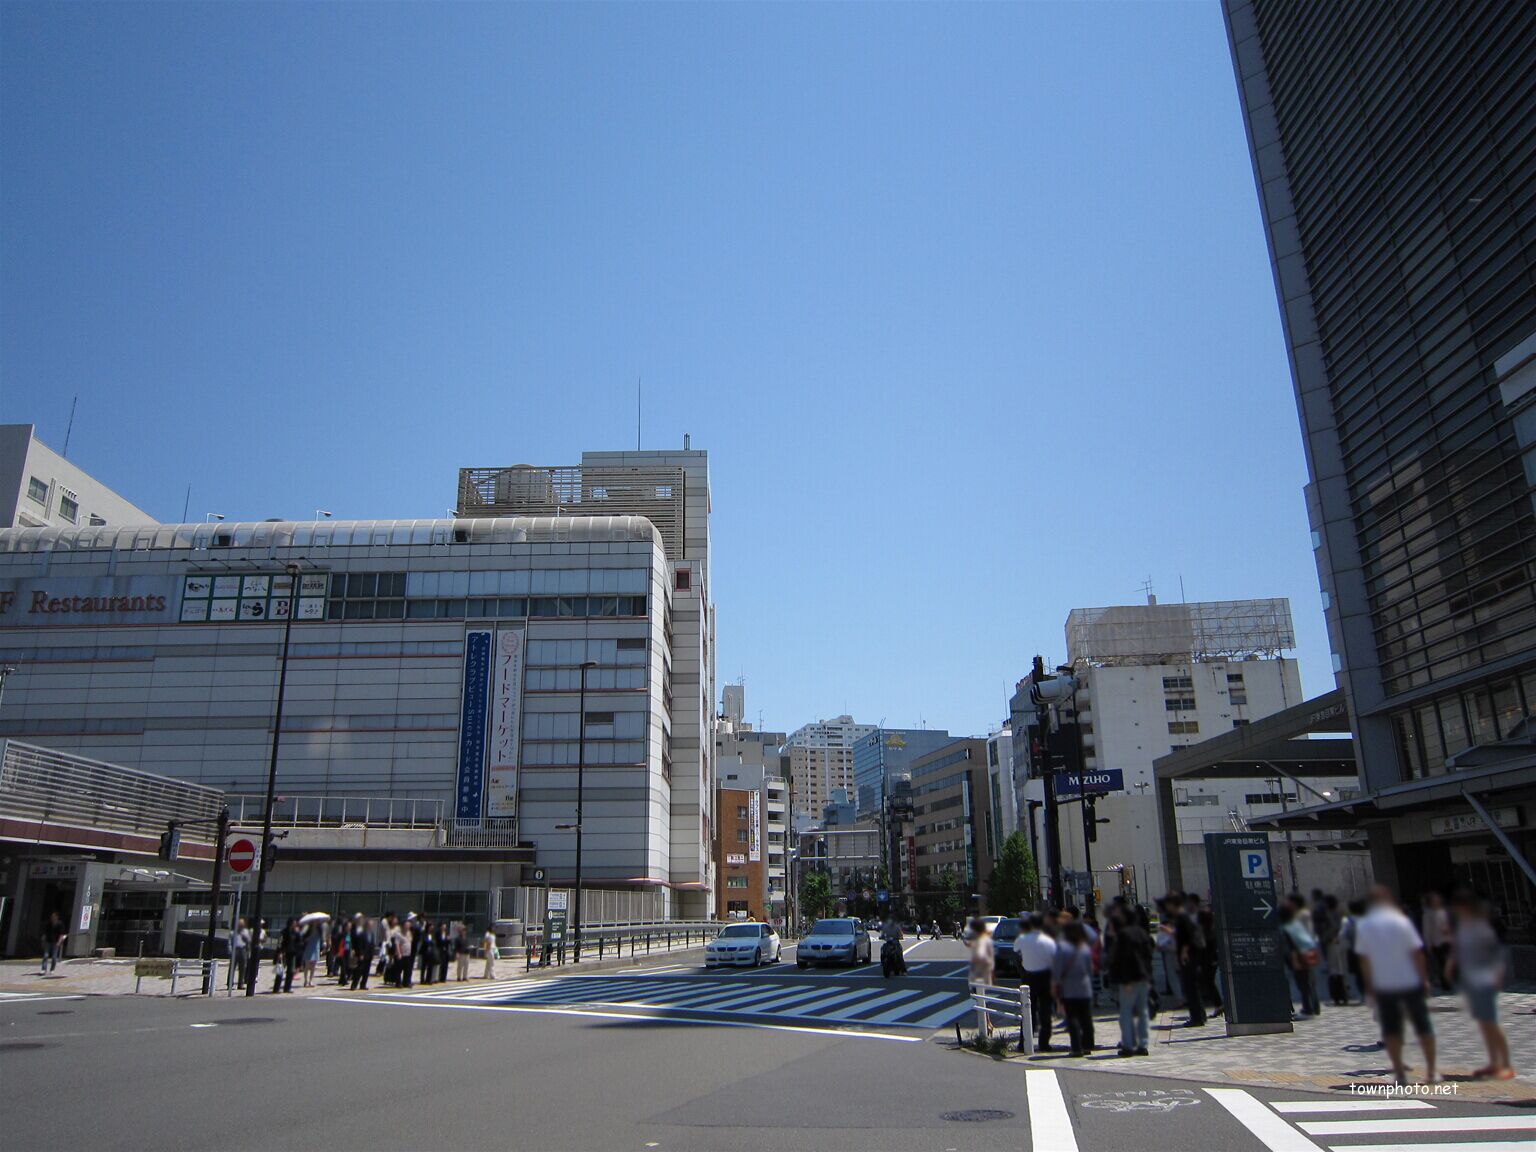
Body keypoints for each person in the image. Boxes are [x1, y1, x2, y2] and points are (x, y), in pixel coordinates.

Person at [1355, 885, 1437, 1086]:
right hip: (1409, 981)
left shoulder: (1365, 927)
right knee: (1423, 1027)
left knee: (1391, 1030)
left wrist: (1369, 986)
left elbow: (1365, 960)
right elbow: (1417, 952)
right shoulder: (1401, 922)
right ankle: (1431, 1071)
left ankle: (1399, 1072)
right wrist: (1424, 979)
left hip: (1384, 984)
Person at [1448, 890, 1513, 1081]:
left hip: (1485, 980)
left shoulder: (1481, 928)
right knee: (1484, 1023)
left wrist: (1497, 976)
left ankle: (1506, 1064)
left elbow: (1495, 955)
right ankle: (1493, 1062)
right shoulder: (1465, 927)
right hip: (1471, 980)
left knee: (1491, 1022)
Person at [1106, 907, 1152, 1057]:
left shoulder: (1123, 935)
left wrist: (1124, 980)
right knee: (1143, 1011)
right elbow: (1148, 956)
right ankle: (1143, 1045)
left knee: (1126, 1012)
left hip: (1129, 979)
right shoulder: (1142, 933)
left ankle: (1128, 1045)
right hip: (1143, 977)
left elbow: (1123, 958)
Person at [1014, 913, 1058, 1052]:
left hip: (1028, 977)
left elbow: (1016, 952)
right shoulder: (1048, 940)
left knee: (1028, 1010)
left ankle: (1024, 1042)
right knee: (1045, 1011)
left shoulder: (1022, 939)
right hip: (1046, 976)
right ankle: (1044, 1043)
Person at [1052, 921, 1096, 1057]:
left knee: (1073, 1018)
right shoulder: (1085, 948)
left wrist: (1055, 985)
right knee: (1086, 1018)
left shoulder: (1062, 947)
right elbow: (1090, 969)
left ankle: (1076, 1048)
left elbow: (1057, 970)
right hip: (1085, 987)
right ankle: (1088, 1045)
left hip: (1069, 988)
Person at [1167, 894, 1206, 1026]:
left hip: (1189, 957)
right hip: (1193, 955)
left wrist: (1184, 953)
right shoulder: (1185, 917)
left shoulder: (1182, 917)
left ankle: (1197, 1018)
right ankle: (1200, 1015)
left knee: (1190, 988)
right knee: (1193, 987)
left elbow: (1187, 937)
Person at [1279, 898, 1321, 1017]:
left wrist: (1293, 962)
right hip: (1308, 955)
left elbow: (1289, 947)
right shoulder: (1296, 925)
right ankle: (1314, 1007)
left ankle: (1308, 1009)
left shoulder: (1286, 928)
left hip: (1299, 958)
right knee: (1310, 983)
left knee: (1303, 985)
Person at [1420, 892, 1451, 991]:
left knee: (1448, 961)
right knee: (1441, 963)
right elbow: (1427, 930)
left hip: (1446, 939)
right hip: (1436, 942)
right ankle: (1445, 983)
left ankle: (1449, 980)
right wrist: (1428, 944)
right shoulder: (1428, 914)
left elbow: (1448, 923)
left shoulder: (1442, 911)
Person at [1323, 895, 1350, 1005]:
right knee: (1340, 970)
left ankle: (1338, 996)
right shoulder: (1341, 916)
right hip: (1341, 945)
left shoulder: (1330, 915)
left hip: (1333, 944)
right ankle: (1344, 995)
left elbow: (1332, 930)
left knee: (1334, 971)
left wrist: (1329, 938)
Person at [273, 918, 300, 994]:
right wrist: (280, 952)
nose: (295, 924)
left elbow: (299, 941)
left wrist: (298, 933)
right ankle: (276, 989)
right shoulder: (284, 932)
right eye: (294, 923)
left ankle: (287, 988)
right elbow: (280, 943)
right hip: (284, 953)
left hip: (292, 953)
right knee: (280, 971)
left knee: (290, 971)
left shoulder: (295, 932)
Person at [349, 916, 375, 991]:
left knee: (366, 971)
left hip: (369, 955)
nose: (371, 926)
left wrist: (372, 954)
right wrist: (360, 954)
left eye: (371, 925)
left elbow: (372, 945)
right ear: (366, 925)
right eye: (369, 925)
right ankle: (354, 985)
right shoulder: (362, 934)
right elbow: (359, 945)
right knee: (359, 971)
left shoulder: (371, 934)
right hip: (362, 955)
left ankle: (363, 984)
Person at [230, 917, 251, 990]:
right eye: (239, 924)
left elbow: (249, 941)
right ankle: (230, 984)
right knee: (232, 968)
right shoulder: (233, 932)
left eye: (242, 924)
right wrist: (230, 951)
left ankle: (240, 984)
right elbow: (229, 942)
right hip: (235, 950)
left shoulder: (245, 932)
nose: (241, 925)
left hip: (243, 949)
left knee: (243, 968)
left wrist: (244, 935)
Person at [301, 922, 322, 988]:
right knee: (307, 965)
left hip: (316, 948)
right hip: (308, 947)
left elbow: (321, 938)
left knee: (313, 966)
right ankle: (305, 980)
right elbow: (303, 938)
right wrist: (308, 937)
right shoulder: (307, 929)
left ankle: (311, 980)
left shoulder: (320, 929)